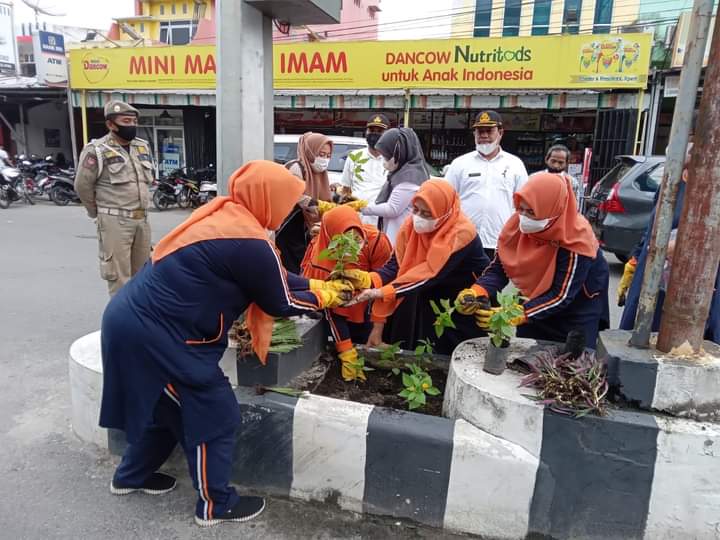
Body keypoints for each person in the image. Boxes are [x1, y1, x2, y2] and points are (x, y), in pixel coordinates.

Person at [99, 161, 350, 527]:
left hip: (136, 325)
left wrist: (315, 286)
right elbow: (279, 301)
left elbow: (276, 279)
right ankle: (216, 504)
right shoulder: (247, 240)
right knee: (215, 414)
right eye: (287, 201)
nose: (290, 210)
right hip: (158, 337)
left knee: (166, 409)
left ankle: (130, 476)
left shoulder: (226, 216)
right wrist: (331, 297)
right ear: (268, 198)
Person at [457, 173, 609, 349]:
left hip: (576, 306)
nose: (523, 217)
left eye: (531, 212)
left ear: (552, 209)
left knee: (570, 359)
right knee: (528, 353)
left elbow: (561, 296)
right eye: (520, 208)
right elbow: (500, 268)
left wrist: (517, 313)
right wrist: (477, 290)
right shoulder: (516, 227)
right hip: (536, 298)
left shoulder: (576, 242)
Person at [344, 179, 490, 354]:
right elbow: (395, 267)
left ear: (445, 212)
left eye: (427, 214)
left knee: (455, 347)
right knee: (423, 338)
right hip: (427, 291)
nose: (419, 217)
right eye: (416, 209)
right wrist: (368, 280)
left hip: (463, 296)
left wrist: (381, 292)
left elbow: (429, 276)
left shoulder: (461, 234)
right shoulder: (410, 226)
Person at [618, 144, 720, 343]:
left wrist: (684, 249)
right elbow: (652, 230)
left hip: (694, 286)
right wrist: (635, 259)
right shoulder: (669, 190)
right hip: (654, 276)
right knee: (641, 330)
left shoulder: (710, 198)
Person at [301, 205, 392, 380]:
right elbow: (330, 310)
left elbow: (388, 287)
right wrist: (346, 352)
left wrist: (378, 327)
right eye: (341, 242)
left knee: (365, 346)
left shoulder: (376, 242)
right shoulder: (321, 256)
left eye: (356, 240)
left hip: (366, 311)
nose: (350, 247)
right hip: (333, 320)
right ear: (330, 239)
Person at [75, 100, 154, 296]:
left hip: (141, 220)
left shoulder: (141, 147)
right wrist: (98, 213)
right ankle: (123, 323)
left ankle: (140, 320)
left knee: (144, 275)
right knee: (119, 279)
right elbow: (82, 186)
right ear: (111, 124)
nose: (131, 126)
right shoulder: (97, 150)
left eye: (134, 121)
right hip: (115, 220)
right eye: (126, 121)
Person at [445, 110, 528, 260]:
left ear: (500, 132)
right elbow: (445, 200)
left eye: (489, 131)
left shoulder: (515, 165)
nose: (484, 136)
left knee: (492, 282)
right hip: (463, 240)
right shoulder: (460, 164)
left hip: (499, 241)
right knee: (461, 283)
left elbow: (524, 204)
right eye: (479, 131)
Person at [275, 132, 334, 274]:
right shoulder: (296, 168)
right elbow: (293, 194)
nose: (324, 159)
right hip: (290, 226)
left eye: (328, 156)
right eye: (321, 154)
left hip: (306, 228)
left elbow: (324, 197)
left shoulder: (320, 174)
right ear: (310, 151)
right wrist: (316, 204)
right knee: (292, 266)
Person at [361, 127, 429, 246]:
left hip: (399, 238)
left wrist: (361, 207)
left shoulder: (410, 176)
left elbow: (392, 209)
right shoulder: (400, 172)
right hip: (395, 235)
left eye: (386, 156)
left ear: (399, 153)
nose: (384, 160)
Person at [339, 113, 391, 225]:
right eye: (371, 130)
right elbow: (346, 190)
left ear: (387, 134)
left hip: (382, 220)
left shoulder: (392, 160)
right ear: (366, 132)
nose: (375, 134)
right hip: (357, 218)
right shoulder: (354, 157)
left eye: (379, 131)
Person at [535, 144, 584, 210]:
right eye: (553, 161)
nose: (556, 165)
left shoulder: (572, 182)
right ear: (546, 159)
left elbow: (574, 208)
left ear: (567, 163)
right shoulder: (535, 179)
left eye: (560, 163)